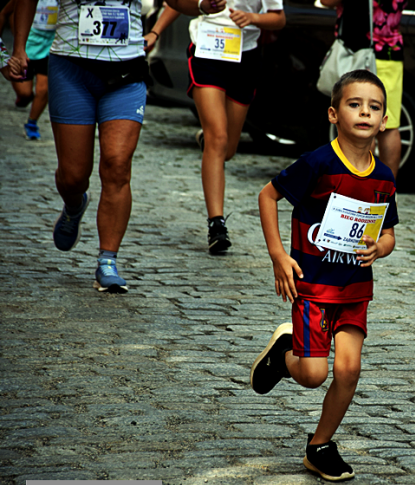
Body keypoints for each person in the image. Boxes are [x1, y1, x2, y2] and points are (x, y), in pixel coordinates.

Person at [9, 0, 226, 293]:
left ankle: (107, 261)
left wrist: (201, 4)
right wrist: (19, 47)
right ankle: (74, 206)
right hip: (72, 68)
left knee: (117, 164)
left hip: (127, 71)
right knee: (74, 176)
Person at [252, 70, 398, 481]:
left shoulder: (384, 177)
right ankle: (285, 354)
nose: (365, 112)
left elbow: (388, 235)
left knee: (349, 371)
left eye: (374, 107)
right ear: (334, 113)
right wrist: (278, 255)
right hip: (313, 288)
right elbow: (268, 195)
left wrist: (379, 248)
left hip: (354, 291)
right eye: (355, 104)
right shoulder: (317, 162)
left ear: (384, 120)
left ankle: (320, 446)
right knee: (314, 375)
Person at [151, 0, 285, 254]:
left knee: (228, 149)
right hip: (207, 52)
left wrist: (252, 18)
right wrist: (155, 31)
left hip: (245, 57)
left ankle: (209, 141)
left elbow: (278, 18)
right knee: (218, 138)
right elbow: (179, 2)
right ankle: (217, 224)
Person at [321, 0, 406, 179]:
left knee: (356, 120)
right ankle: (388, 189)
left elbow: (326, 1)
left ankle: (357, 186)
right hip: (389, 50)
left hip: (357, 48)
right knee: (389, 125)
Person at [13, 0, 58, 139]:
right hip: (28, 47)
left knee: (43, 90)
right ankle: (25, 97)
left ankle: (32, 123)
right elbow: (5, 13)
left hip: (49, 47)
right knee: (25, 94)